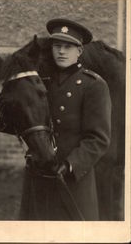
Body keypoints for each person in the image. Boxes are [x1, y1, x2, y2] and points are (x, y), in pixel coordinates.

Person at [40, 18, 112, 220]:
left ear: (79, 51)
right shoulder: (42, 83)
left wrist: (70, 165)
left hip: (74, 179)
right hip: (41, 177)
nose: (61, 51)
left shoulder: (94, 85)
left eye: (68, 47)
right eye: (57, 46)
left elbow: (98, 139)